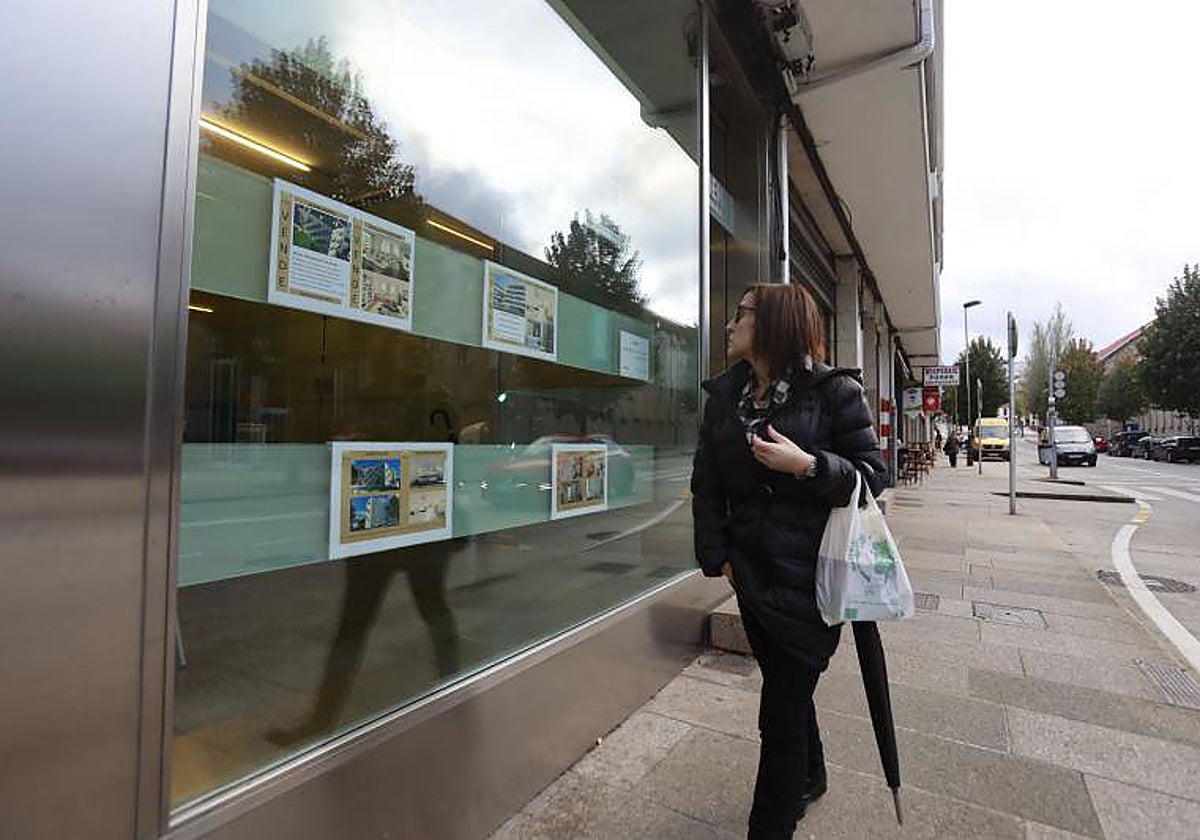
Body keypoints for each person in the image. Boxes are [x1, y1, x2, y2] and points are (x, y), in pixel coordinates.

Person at [691, 283, 886, 838]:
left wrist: (808, 465)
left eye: (742, 314)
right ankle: (812, 775)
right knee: (785, 685)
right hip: (751, 576)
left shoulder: (832, 393)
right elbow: (706, 484)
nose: (730, 325)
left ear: (773, 323)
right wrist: (718, 557)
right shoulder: (726, 397)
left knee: (778, 717)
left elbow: (873, 476)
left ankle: (771, 823)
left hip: (810, 580)